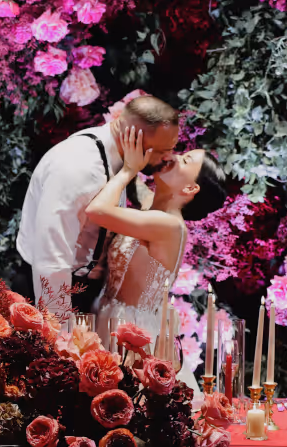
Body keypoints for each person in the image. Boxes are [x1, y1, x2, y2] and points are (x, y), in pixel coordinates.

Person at [87, 125, 227, 396]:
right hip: (110, 318)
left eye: (186, 160)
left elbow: (97, 210)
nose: (175, 157)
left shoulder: (169, 225)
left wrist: (129, 170)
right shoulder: (154, 209)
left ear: (190, 187)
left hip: (131, 334)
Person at [16, 96, 179, 314]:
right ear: (133, 138)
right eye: (161, 151)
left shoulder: (116, 151)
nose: (168, 158)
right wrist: (59, 331)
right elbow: (51, 259)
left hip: (82, 285)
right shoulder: (79, 169)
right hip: (48, 289)